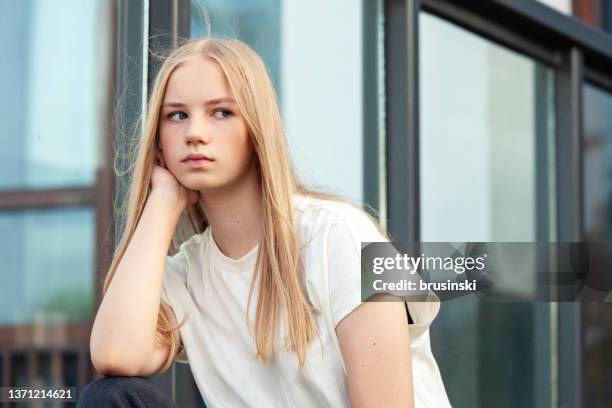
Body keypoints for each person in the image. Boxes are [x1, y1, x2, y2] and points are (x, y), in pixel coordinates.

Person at [78, 38, 451, 408]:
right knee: (110, 398)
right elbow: (116, 355)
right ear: (159, 141)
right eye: (177, 115)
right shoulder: (189, 273)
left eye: (221, 112)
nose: (195, 133)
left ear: (257, 129)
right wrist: (160, 203)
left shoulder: (340, 234)